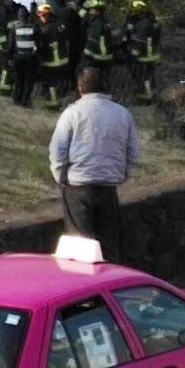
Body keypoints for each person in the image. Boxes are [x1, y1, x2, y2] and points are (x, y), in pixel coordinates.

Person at [49, 66, 140, 263]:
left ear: (80, 89)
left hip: (78, 185)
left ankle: (87, 288)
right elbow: (133, 151)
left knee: (81, 247)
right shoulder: (122, 113)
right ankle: (111, 282)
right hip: (108, 185)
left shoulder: (72, 113)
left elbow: (58, 150)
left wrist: (61, 177)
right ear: (103, 88)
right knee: (109, 243)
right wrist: (123, 173)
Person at [123, 0, 161, 103]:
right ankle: (151, 94)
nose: (132, 12)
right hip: (151, 54)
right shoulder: (151, 21)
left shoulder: (143, 23)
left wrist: (133, 53)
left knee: (143, 76)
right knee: (149, 75)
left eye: (133, 10)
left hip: (145, 55)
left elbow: (140, 41)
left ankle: (146, 98)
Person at [36, 2, 72, 107]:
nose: (40, 18)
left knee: (51, 83)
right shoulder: (60, 25)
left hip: (50, 62)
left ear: (47, 15)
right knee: (58, 82)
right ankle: (58, 99)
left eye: (41, 16)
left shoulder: (46, 29)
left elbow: (41, 45)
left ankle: (53, 103)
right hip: (63, 60)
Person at [6, 3, 39, 107]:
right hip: (30, 58)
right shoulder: (34, 28)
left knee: (18, 78)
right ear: (28, 16)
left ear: (19, 16)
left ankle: (17, 98)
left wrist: (9, 58)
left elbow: (11, 45)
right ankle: (25, 100)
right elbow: (38, 43)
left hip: (18, 57)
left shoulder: (14, 29)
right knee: (28, 80)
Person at [79, 0, 114, 89]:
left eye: (92, 10)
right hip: (107, 55)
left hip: (98, 55)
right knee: (104, 77)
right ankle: (106, 94)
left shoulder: (97, 23)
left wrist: (86, 53)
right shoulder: (104, 21)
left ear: (98, 12)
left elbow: (93, 40)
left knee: (82, 70)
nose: (90, 12)